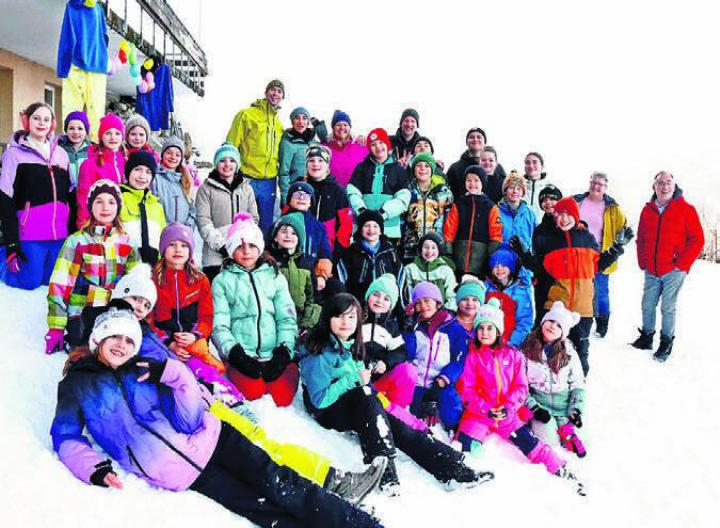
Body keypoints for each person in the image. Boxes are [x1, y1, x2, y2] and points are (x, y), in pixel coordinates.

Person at [51, 306, 382, 528]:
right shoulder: (78, 384)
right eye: (115, 337)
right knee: (264, 511)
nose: (122, 345)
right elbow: (66, 436)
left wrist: (171, 373)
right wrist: (94, 468)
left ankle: (358, 523)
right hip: (182, 473)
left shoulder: (144, 369)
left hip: (214, 438)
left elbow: (189, 406)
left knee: (283, 485)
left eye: (129, 340)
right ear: (98, 340)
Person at [297, 293, 494, 496]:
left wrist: (402, 417)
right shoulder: (318, 351)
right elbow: (319, 401)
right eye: (339, 316)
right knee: (366, 396)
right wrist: (354, 381)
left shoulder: (349, 343)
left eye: (351, 317)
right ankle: (385, 473)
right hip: (328, 411)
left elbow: (366, 391)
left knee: (395, 424)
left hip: (354, 404)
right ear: (328, 318)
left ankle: (452, 470)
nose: (346, 323)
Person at [456, 298, 584, 494]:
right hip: (480, 413)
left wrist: (508, 408)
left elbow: (521, 387)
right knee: (465, 446)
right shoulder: (473, 356)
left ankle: (561, 469)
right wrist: (485, 410)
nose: (485, 333)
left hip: (507, 416)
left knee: (530, 443)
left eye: (490, 328)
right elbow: (467, 389)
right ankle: (466, 480)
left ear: (498, 330)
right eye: (481, 328)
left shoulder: (512, 355)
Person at [515, 197, 632, 375]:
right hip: (557, 307)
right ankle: (544, 384)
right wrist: (523, 254)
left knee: (580, 350)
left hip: (583, 309)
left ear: (576, 216)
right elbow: (539, 268)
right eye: (560, 214)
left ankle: (579, 385)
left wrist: (617, 248)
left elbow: (598, 265)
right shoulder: (550, 241)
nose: (564, 218)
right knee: (551, 348)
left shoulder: (587, 238)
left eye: (569, 214)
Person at [211, 213, 299, 406]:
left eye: (251, 245)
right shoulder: (222, 281)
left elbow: (286, 318)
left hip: (273, 353)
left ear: (259, 247)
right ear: (231, 249)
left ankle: (286, 368)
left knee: (282, 399)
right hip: (244, 356)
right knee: (253, 394)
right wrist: (236, 354)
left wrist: (283, 352)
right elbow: (220, 326)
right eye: (239, 246)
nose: (246, 252)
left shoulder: (274, 276)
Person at [46, 179, 139, 351]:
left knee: (119, 349)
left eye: (111, 202)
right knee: (88, 349)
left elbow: (136, 283)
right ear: (90, 206)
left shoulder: (127, 241)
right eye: (99, 201)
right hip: (82, 312)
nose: (105, 207)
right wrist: (56, 327)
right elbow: (60, 284)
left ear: (118, 207)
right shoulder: (77, 241)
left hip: (113, 311)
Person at [633, 171, 704, 362]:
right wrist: (643, 260)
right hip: (652, 269)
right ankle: (647, 336)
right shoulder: (647, 210)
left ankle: (666, 341)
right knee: (647, 304)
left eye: (668, 183)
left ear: (674, 186)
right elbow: (641, 238)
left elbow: (697, 240)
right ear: (654, 187)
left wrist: (682, 264)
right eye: (660, 183)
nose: (664, 187)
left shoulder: (686, 209)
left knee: (668, 307)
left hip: (674, 269)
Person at [0, 102, 71, 290]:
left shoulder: (61, 154)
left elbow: (68, 194)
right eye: (36, 118)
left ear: (52, 124)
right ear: (27, 121)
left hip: (59, 234)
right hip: (30, 232)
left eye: (46, 119)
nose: (41, 123)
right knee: (28, 282)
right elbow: (5, 198)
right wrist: (11, 243)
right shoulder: (13, 154)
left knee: (51, 281)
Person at [521, 301, 586, 458]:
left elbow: (577, 383)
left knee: (567, 440)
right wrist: (534, 408)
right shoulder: (527, 348)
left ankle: (568, 431)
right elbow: (520, 384)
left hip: (563, 406)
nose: (552, 326)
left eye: (559, 325)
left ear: (563, 333)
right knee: (551, 443)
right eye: (551, 321)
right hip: (540, 406)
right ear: (543, 321)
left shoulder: (569, 353)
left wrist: (575, 409)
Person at [573, 172, 628, 337]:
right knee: (579, 289)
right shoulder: (577, 201)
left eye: (600, 184)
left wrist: (617, 245)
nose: (596, 187)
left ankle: (602, 324)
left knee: (601, 291)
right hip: (578, 253)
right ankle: (579, 321)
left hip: (600, 255)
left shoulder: (612, 208)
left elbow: (624, 228)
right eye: (594, 182)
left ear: (605, 187)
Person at [226, 79, 285, 233]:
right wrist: (230, 173)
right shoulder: (246, 115)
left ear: (282, 97)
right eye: (272, 89)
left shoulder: (279, 125)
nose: (275, 93)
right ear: (266, 93)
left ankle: (262, 254)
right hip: (247, 177)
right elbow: (231, 145)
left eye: (279, 91)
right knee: (242, 220)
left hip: (269, 181)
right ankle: (239, 253)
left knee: (266, 223)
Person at [195, 143, 259, 282]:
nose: (227, 164)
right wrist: (222, 246)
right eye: (222, 160)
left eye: (232, 160)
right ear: (216, 164)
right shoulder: (206, 189)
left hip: (242, 252)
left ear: (237, 164)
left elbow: (253, 219)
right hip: (215, 255)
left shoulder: (246, 189)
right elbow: (203, 221)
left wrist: (242, 244)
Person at [361, 274, 418, 410]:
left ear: (391, 306)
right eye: (376, 295)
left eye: (386, 298)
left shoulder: (391, 327)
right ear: (368, 295)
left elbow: (400, 351)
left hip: (377, 380)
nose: (380, 301)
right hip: (356, 378)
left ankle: (395, 411)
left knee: (409, 370)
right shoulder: (356, 319)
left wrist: (386, 362)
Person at [347, 128, 411, 242]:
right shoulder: (361, 167)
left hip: (389, 229)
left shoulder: (398, 170)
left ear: (387, 145)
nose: (378, 147)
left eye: (381, 142)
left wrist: (383, 213)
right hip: (363, 227)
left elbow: (403, 198)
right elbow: (352, 192)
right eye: (373, 144)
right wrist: (363, 212)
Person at [443, 165, 503, 279]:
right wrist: (448, 253)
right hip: (459, 259)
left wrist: (491, 257)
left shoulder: (490, 207)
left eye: (476, 180)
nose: (472, 184)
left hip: (480, 261)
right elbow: (449, 229)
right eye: (468, 180)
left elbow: (496, 235)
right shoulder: (459, 204)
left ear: (483, 183)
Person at [267, 214, 321, 332]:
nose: (288, 236)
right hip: (274, 322)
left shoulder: (306, 264)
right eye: (283, 231)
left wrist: (307, 325)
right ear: (275, 237)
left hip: (299, 322)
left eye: (294, 233)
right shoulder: (268, 262)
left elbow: (313, 299)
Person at [335, 210, 404, 303]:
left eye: (375, 226)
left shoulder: (390, 253)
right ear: (360, 229)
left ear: (380, 231)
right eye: (366, 226)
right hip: (358, 305)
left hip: (385, 306)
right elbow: (341, 280)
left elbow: (401, 280)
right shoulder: (350, 252)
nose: (371, 230)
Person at [400, 152, 453, 262]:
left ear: (432, 169)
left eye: (427, 166)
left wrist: (447, 247)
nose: (422, 169)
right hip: (411, 249)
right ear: (414, 169)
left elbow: (450, 221)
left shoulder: (443, 192)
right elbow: (401, 220)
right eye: (418, 165)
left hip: (435, 248)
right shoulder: (407, 191)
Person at [76, 113, 126, 228]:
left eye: (117, 133)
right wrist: (84, 225)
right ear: (101, 137)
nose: (113, 137)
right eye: (108, 133)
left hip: (119, 224)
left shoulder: (124, 161)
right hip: (97, 223)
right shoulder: (90, 164)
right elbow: (84, 197)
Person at [303, 145, 353, 251]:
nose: (315, 164)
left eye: (320, 160)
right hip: (301, 247)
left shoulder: (338, 191)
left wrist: (340, 249)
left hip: (327, 249)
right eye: (311, 160)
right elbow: (288, 216)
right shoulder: (300, 187)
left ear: (327, 165)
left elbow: (346, 224)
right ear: (306, 164)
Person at [284, 181, 334, 285]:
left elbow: (325, 254)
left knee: (336, 288)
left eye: (306, 196)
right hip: (286, 273)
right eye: (297, 195)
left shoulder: (318, 227)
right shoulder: (281, 223)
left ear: (311, 202)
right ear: (289, 200)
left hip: (312, 275)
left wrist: (322, 276)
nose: (301, 198)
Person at [119, 151, 165, 264]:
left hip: (153, 268)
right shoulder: (117, 199)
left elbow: (163, 239)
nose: (142, 176)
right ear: (128, 172)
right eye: (137, 169)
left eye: (148, 172)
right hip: (124, 266)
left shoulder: (156, 205)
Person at [484, 243, 533, 348]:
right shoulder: (486, 287)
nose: (499, 269)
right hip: (487, 341)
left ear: (510, 267)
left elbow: (524, 322)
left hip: (510, 344)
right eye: (495, 266)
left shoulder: (520, 290)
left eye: (504, 265)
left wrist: (512, 344)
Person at [278, 106, 326, 205]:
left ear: (308, 122)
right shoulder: (287, 143)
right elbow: (283, 172)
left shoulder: (312, 140)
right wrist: (285, 196)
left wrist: (319, 126)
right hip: (297, 190)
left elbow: (325, 140)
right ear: (292, 121)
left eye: (304, 118)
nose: (301, 122)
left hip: (314, 188)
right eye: (297, 118)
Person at [403, 232, 457, 310]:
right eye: (426, 247)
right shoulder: (410, 269)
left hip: (440, 313)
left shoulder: (445, 270)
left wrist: (446, 312)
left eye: (433, 247)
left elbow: (452, 296)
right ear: (420, 249)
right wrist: (413, 309)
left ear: (439, 250)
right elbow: (407, 294)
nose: (429, 251)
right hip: (418, 311)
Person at [58, 110, 92, 231]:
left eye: (80, 128)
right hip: (66, 200)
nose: (76, 132)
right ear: (66, 130)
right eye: (71, 128)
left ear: (86, 131)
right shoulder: (59, 150)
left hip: (87, 200)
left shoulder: (93, 150)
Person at [152, 136, 195, 227]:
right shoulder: (155, 179)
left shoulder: (186, 181)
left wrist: (187, 228)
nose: (173, 157)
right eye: (169, 153)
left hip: (182, 236)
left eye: (177, 154)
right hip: (161, 233)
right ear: (162, 155)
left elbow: (192, 209)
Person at [322, 110, 368, 188]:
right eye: (338, 125)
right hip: (331, 194)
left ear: (350, 127)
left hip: (355, 195)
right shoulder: (324, 148)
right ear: (333, 128)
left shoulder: (362, 147)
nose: (342, 127)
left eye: (345, 124)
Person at [446, 127, 487, 199]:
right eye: (471, 137)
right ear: (466, 142)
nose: (475, 139)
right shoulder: (455, 168)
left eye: (479, 137)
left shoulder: (495, 168)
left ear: (485, 142)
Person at [522, 152, 556, 222]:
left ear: (542, 166)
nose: (531, 166)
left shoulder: (551, 188)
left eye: (535, 162)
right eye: (527, 163)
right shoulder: (518, 188)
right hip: (523, 230)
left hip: (544, 230)